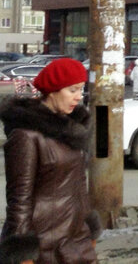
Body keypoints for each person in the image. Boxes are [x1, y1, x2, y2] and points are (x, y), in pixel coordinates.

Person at [0, 57, 101, 264]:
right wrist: (22, 253)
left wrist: (90, 229)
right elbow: (19, 199)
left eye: (81, 90)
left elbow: (78, 184)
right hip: (44, 243)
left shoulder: (73, 130)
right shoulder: (25, 136)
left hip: (76, 237)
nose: (78, 97)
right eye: (72, 90)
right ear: (53, 90)